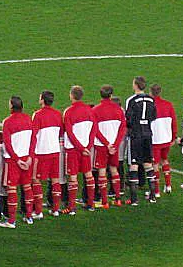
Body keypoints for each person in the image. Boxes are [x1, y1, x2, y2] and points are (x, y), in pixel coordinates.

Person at [1, 96, 36, 228]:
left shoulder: (8, 122)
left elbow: (8, 144)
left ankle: (11, 221)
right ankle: (29, 216)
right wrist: (30, 157)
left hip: (14, 161)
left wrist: (17, 159)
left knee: (12, 189)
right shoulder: (28, 118)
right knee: (27, 187)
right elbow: (33, 139)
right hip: (27, 159)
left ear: (11, 106)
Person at [124, 76, 158, 204]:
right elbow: (153, 116)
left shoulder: (131, 100)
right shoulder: (151, 99)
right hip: (148, 134)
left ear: (135, 85)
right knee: (148, 163)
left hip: (136, 135)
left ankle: (134, 199)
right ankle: (153, 196)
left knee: (134, 165)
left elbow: (128, 119)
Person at [61, 86, 95, 214]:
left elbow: (69, 132)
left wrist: (80, 148)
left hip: (73, 150)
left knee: (73, 177)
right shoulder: (90, 110)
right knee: (88, 174)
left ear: (71, 95)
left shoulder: (68, 112)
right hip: (86, 149)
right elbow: (94, 129)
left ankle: (72, 207)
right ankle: (90, 204)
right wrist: (88, 146)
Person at [90, 86, 125, 209]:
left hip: (101, 146)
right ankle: (118, 199)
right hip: (114, 147)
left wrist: (107, 144)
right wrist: (114, 145)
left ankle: (104, 202)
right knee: (114, 169)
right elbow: (122, 129)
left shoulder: (95, 110)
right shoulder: (119, 110)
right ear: (111, 95)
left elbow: (96, 130)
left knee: (102, 171)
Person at [30, 92, 63, 218]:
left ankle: (38, 212)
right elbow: (60, 132)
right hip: (55, 151)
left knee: (36, 180)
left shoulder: (37, 115)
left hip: (41, 152)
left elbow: (33, 135)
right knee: (55, 179)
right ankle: (55, 209)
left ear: (42, 100)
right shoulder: (58, 114)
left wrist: (31, 153)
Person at [149, 83, 176, 196]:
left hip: (155, 140)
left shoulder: (150, 106)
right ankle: (168, 185)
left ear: (150, 92)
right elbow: (174, 121)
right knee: (165, 160)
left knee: (155, 164)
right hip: (166, 139)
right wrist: (173, 137)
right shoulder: (168, 105)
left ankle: (156, 191)